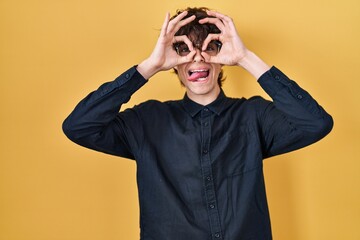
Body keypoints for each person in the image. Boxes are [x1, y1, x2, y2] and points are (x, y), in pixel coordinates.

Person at [63, 7, 333, 240]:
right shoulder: (146, 121)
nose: (198, 57)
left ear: (222, 57)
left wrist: (245, 58)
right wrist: (148, 67)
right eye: (184, 48)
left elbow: (316, 123)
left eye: (210, 47)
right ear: (173, 61)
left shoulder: (254, 116)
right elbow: (79, 126)